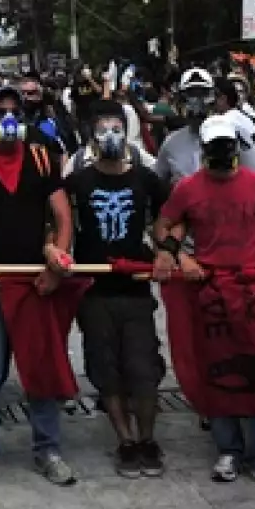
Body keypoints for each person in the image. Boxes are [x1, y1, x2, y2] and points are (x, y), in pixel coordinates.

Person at [153, 113, 255, 492]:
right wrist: (181, 256)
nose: (222, 153)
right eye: (215, 147)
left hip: (253, 291)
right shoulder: (188, 188)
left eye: (227, 146)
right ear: (204, 150)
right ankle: (228, 450)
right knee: (217, 371)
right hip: (211, 291)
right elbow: (163, 225)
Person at [0, 90, 79, 493]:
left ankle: (48, 451)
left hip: (33, 282)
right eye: (0, 112)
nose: (7, 118)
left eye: (14, 112)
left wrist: (58, 264)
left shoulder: (42, 158)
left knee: (39, 367)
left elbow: (63, 216)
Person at [64, 101, 169, 477]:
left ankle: (147, 438)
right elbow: (58, 221)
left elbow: (168, 219)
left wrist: (166, 251)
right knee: (105, 367)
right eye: (103, 128)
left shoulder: (145, 179)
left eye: (116, 128)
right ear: (92, 135)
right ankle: (125, 440)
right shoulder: (77, 182)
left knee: (143, 367)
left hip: (135, 287)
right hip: (94, 288)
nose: (110, 136)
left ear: (127, 133)